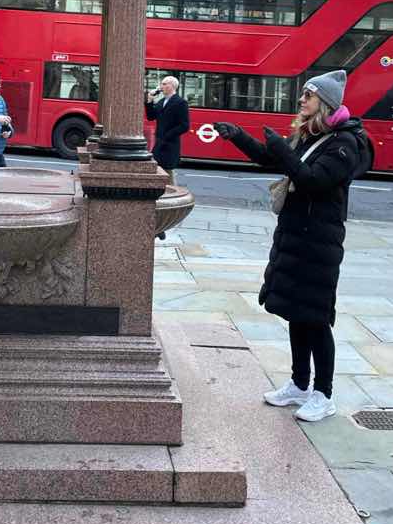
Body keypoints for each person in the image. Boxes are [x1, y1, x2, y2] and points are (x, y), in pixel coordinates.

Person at [215, 69, 369, 423]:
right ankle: (300, 385)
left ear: (325, 104)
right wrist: (239, 136)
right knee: (295, 315)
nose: (301, 101)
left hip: (319, 242)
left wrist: (283, 150)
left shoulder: (344, 144)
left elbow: (313, 181)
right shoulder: (313, 135)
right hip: (296, 236)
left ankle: (323, 394)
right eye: (303, 95)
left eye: (308, 96)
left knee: (315, 320)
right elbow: (272, 160)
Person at [145, 74, 190, 190]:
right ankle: (162, 192)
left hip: (170, 143)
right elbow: (151, 117)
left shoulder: (180, 102)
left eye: (164, 84)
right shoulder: (161, 102)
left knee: (167, 170)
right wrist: (149, 101)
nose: (161, 86)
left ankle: (173, 193)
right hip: (160, 142)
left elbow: (184, 125)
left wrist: (168, 135)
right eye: (162, 84)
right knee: (158, 168)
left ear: (172, 86)